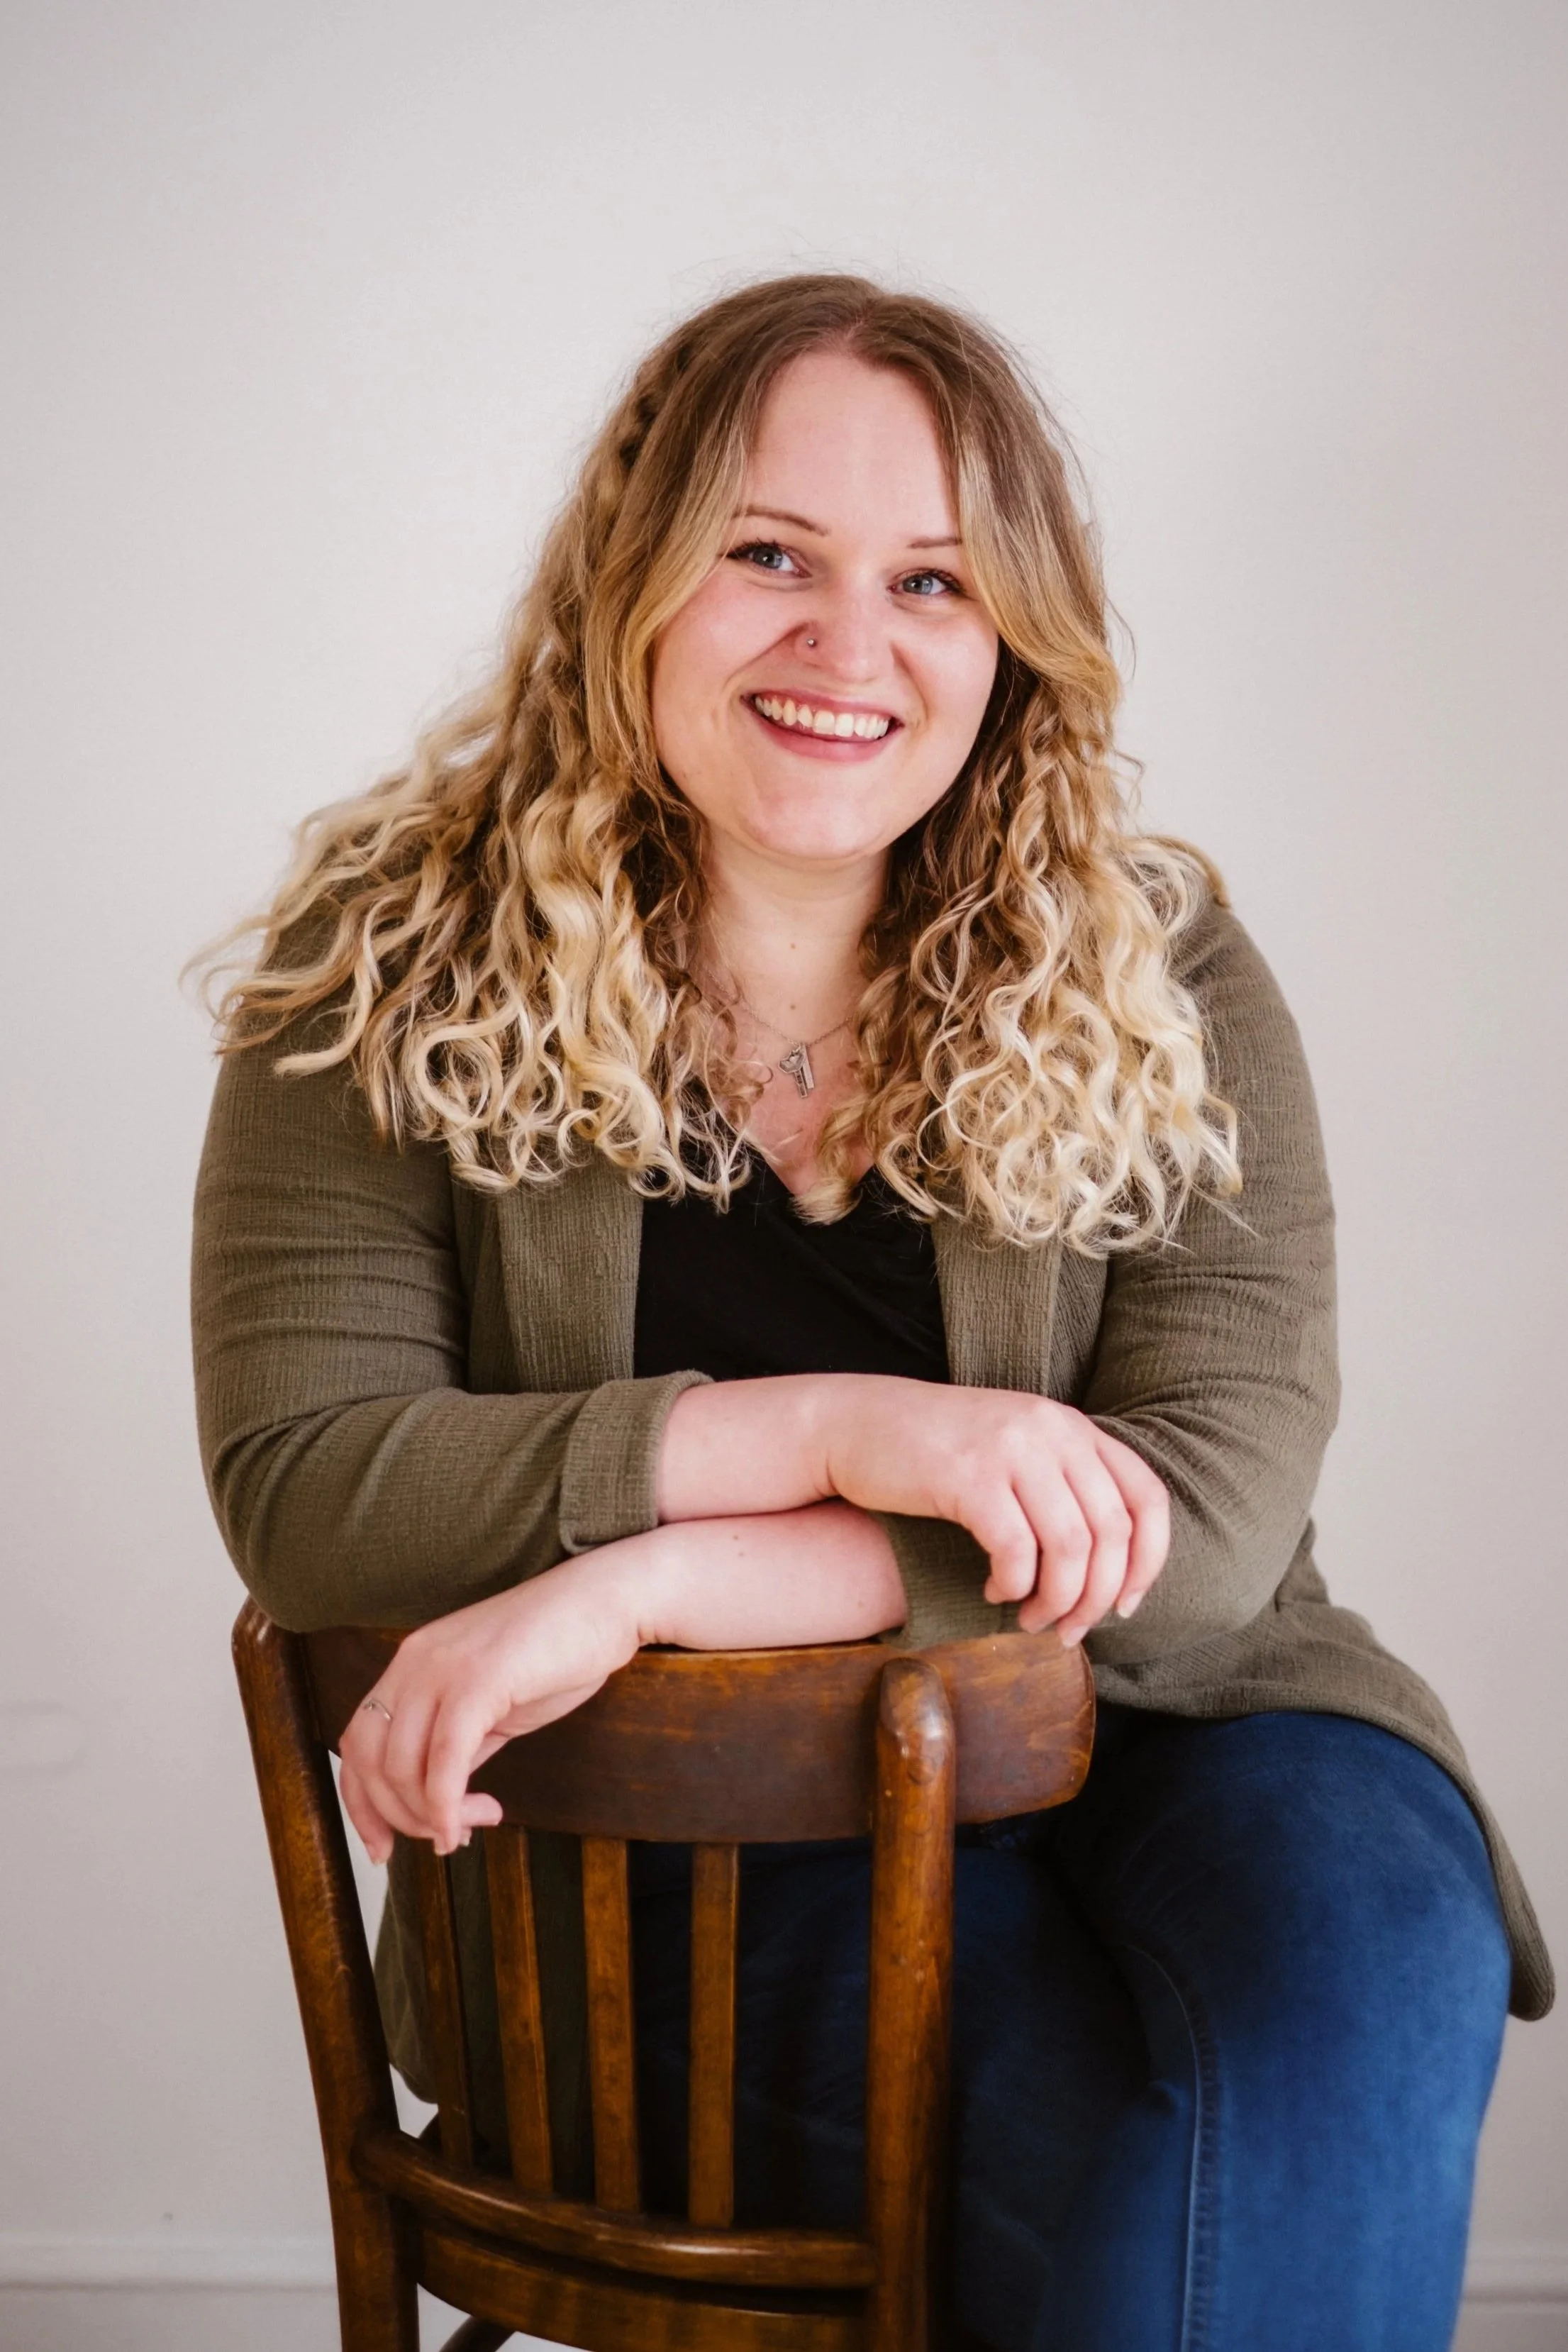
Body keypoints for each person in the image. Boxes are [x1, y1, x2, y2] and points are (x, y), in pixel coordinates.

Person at [192, 274, 1549, 2351]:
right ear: (631, 576)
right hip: (699, 1857)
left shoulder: (1161, 961)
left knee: (1351, 2004)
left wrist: (638, 1582)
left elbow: (1195, 1556)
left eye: (932, 577)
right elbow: (313, 1487)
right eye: (769, 556)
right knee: (1147, 2205)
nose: (852, 644)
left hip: (1200, 1733)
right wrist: (838, 1426)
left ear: (1010, 638)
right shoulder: (385, 965)